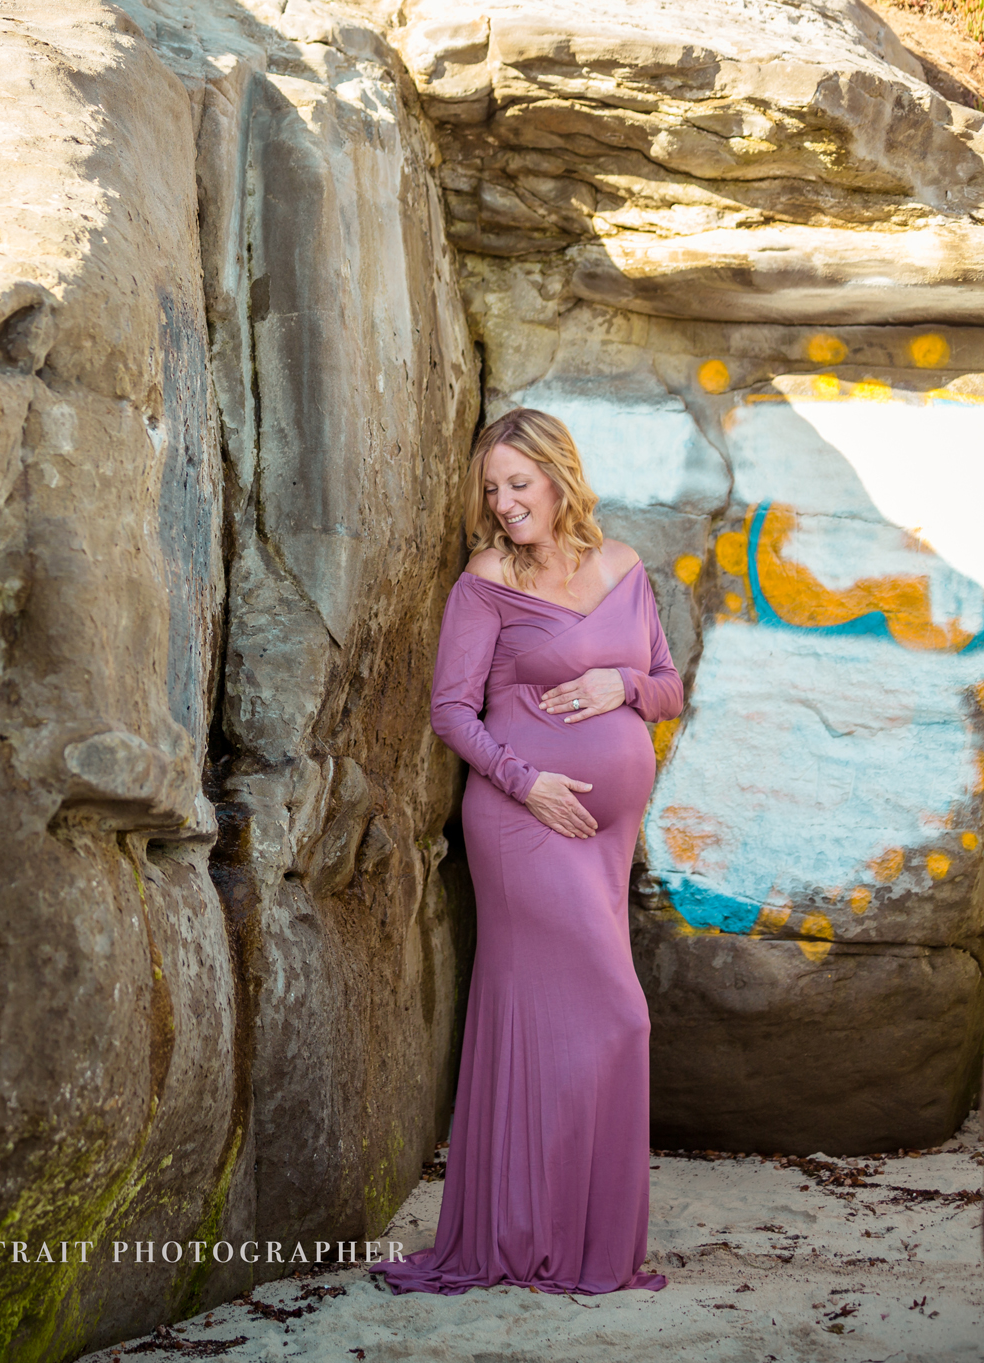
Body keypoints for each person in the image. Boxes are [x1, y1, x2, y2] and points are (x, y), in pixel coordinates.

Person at [369, 407, 684, 1296]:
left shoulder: (622, 566)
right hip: (522, 822)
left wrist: (614, 681)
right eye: (492, 489)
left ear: (558, 477)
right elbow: (450, 711)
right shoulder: (486, 580)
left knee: (571, 1025)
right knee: (615, 1015)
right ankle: (529, 1232)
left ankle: (572, 1237)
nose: (505, 504)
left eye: (519, 484)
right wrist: (526, 780)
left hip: (604, 835)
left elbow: (665, 687)